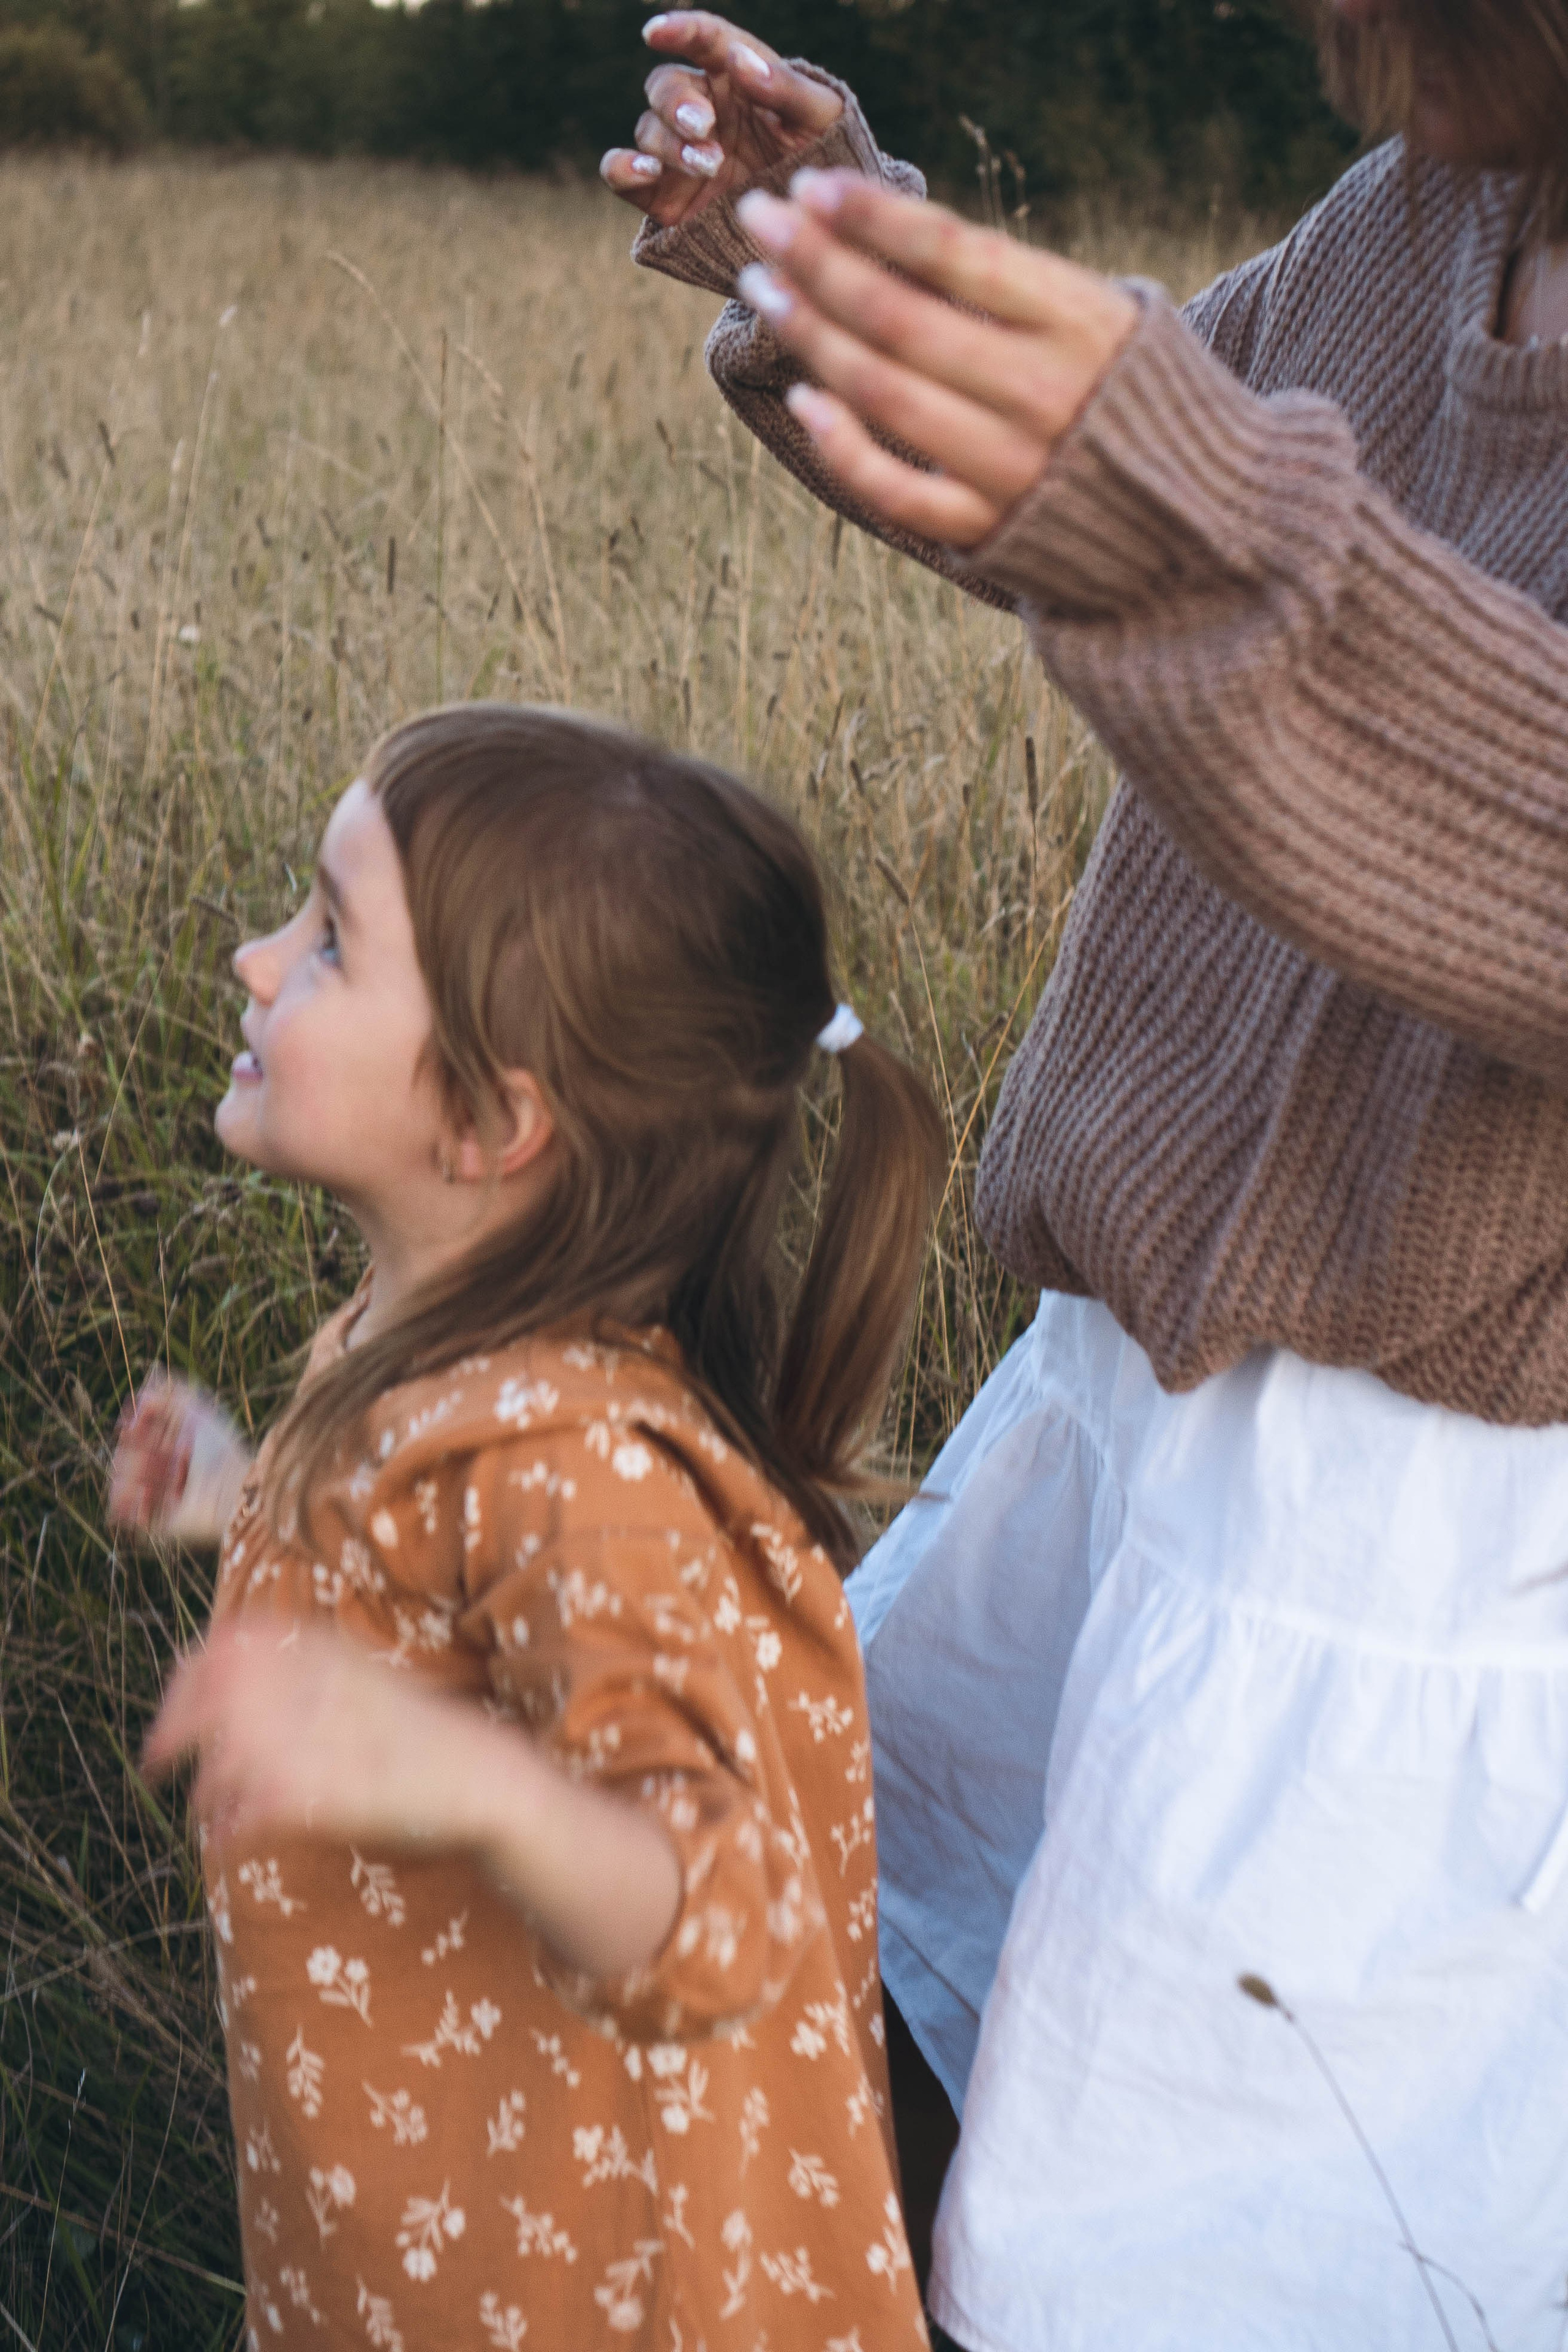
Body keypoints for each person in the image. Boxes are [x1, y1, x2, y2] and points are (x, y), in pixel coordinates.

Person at [604, 6, 1568, 2347]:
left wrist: (1176, 494)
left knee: (1152, 2276)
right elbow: (1158, 522)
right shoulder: (1445, 209)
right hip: (1133, 1422)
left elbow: (1235, 544)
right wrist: (860, 273)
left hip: (1421, 1560)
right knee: (888, 2056)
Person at [109, 703, 944, 2351]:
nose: (252, 961)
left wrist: (467, 1784)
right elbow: (420, 1594)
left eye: (333, 943)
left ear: (496, 1122)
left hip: (616, 2297)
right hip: (437, 2250)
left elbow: (726, 1905)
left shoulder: (584, 1468)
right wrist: (236, 1500)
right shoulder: (419, 1360)